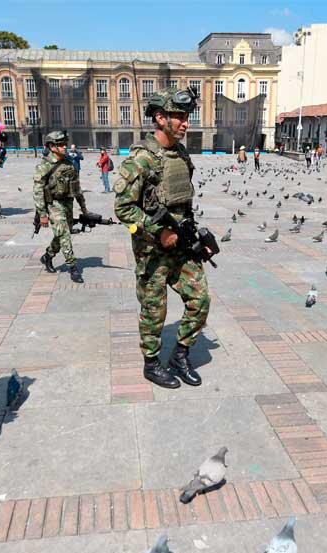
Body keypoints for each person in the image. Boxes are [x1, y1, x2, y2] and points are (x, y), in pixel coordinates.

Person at [114, 87, 210, 389]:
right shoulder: (141, 158)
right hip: (152, 249)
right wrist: (159, 231)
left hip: (181, 244)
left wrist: (194, 233)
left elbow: (183, 200)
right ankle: (152, 363)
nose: (185, 123)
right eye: (179, 117)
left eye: (186, 117)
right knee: (155, 309)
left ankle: (180, 355)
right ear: (160, 117)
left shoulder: (180, 153)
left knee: (200, 300)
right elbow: (123, 207)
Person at [33, 130, 90, 284]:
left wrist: (84, 209)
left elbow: (77, 188)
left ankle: (48, 256)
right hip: (53, 204)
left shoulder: (69, 164)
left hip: (68, 202)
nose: (64, 147)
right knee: (64, 233)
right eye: (61, 145)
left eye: (65, 144)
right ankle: (73, 267)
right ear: (52, 147)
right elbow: (37, 191)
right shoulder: (45, 165)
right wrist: (42, 213)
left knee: (62, 234)